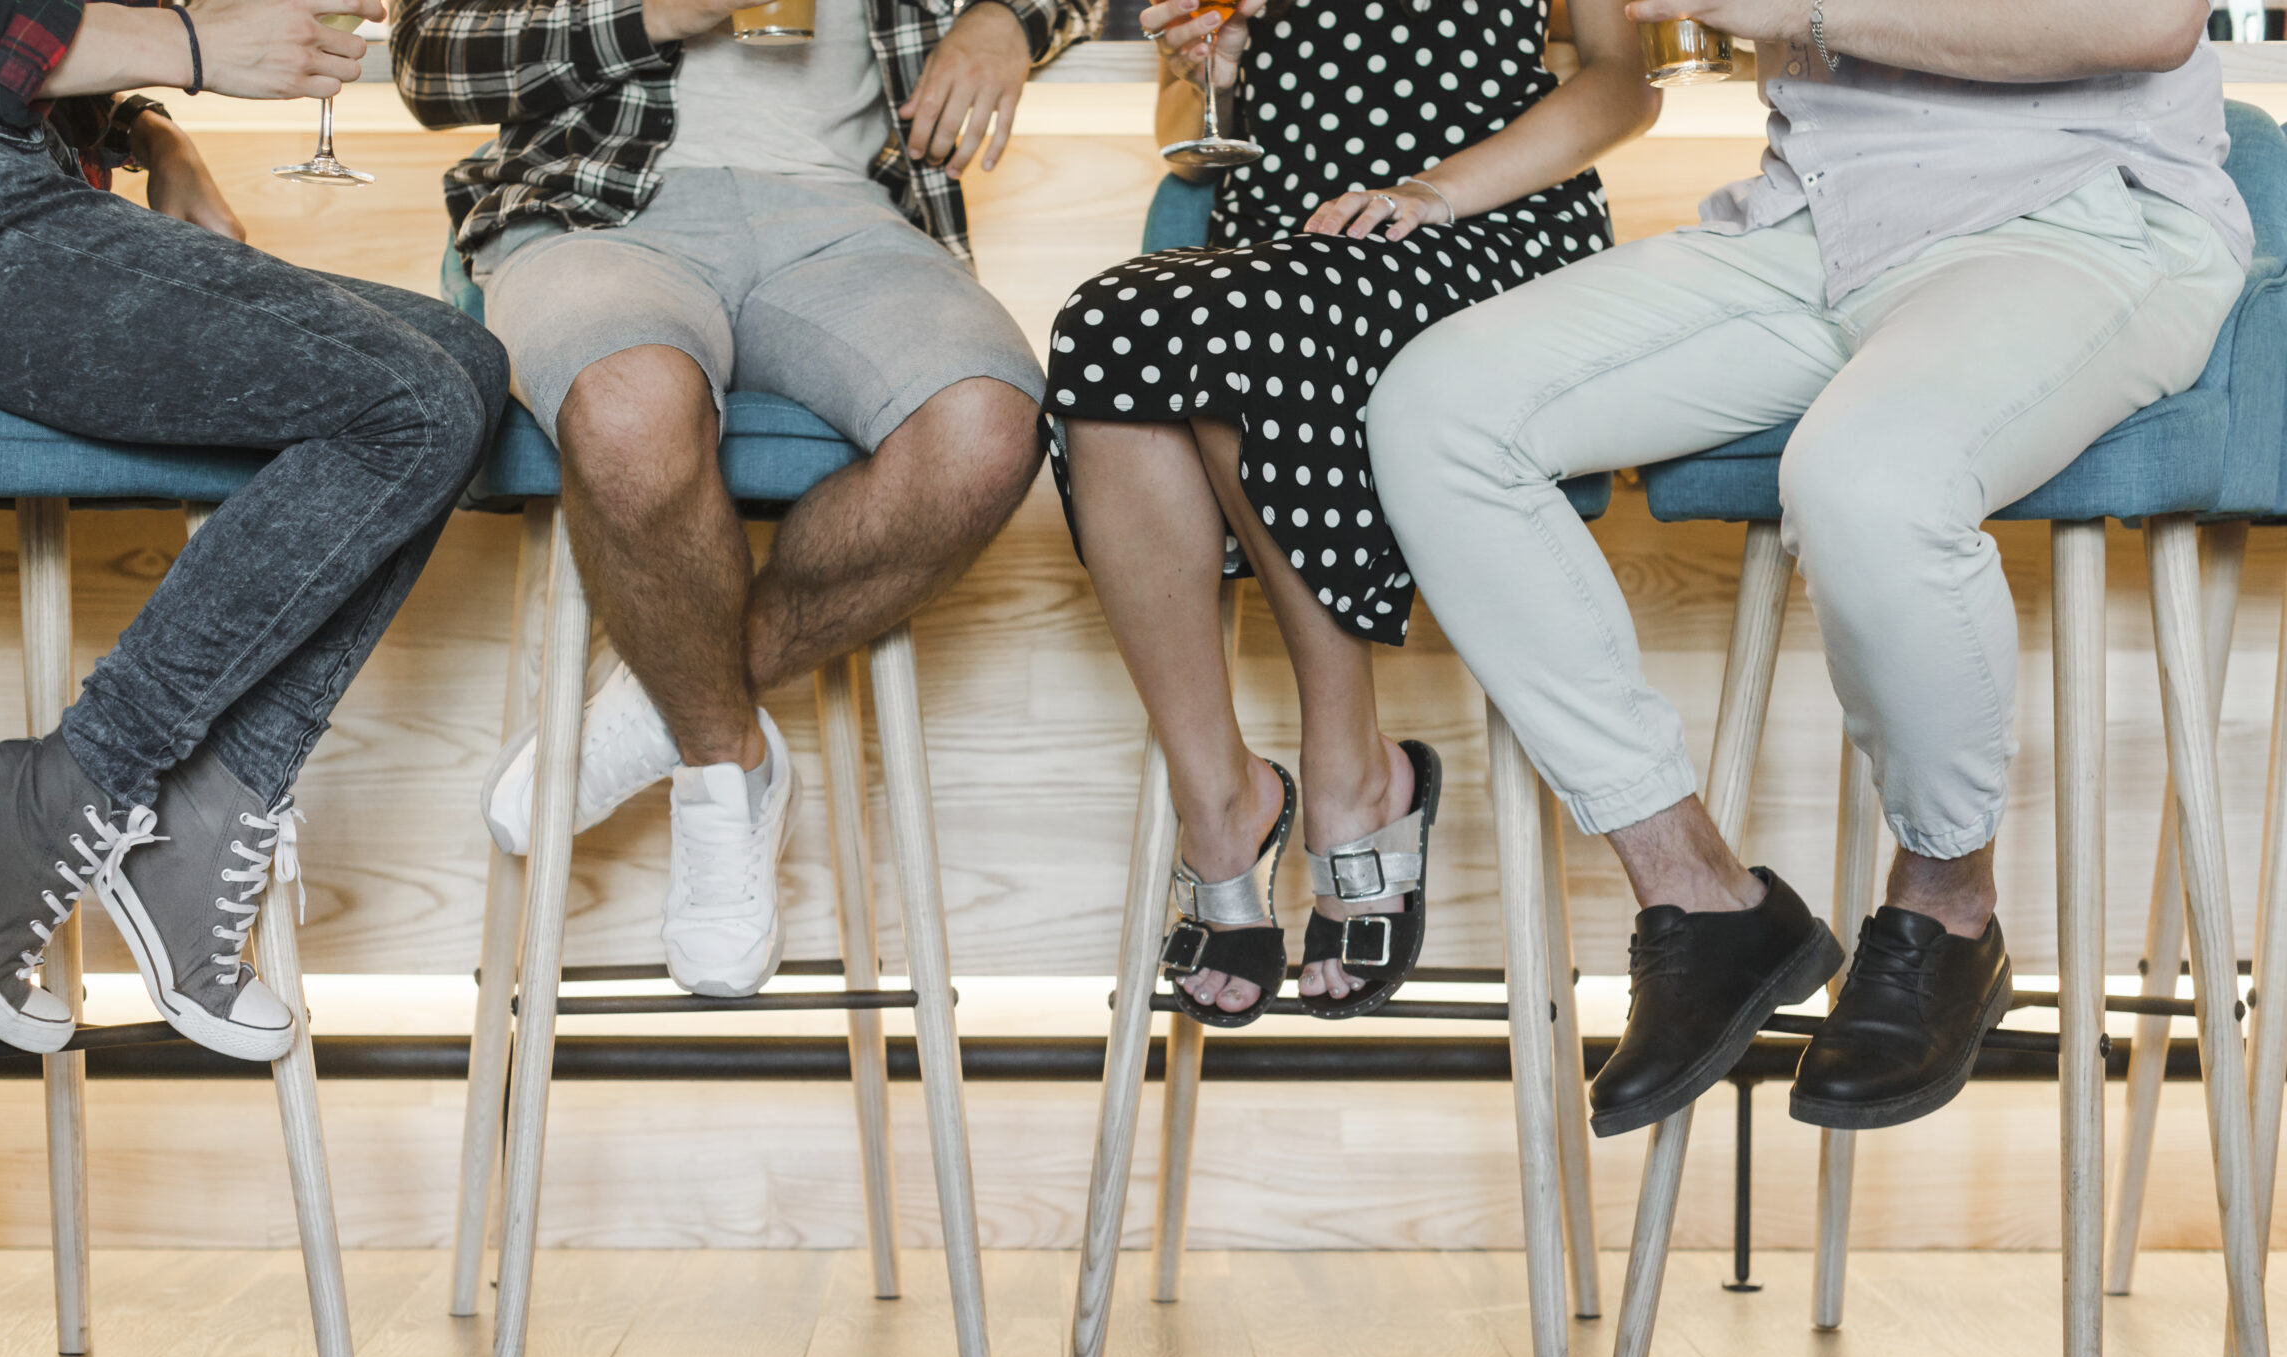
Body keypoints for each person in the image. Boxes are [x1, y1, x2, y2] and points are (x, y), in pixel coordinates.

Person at [1369, 0, 2242, 1134]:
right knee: (1438, 410)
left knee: (1865, 480)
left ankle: (1947, 911)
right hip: (1813, 228)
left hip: (2073, 223)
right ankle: (1699, 895)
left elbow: (2145, 24)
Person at [0, 0, 510, 1062]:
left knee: (461, 369)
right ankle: (66, 783)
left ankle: (206, 811)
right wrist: (195, 48)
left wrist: (147, 135)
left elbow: (13, 38)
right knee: (407, 405)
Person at [398, 0, 1082, 997]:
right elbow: (430, 62)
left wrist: (1010, 21)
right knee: (628, 408)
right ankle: (723, 764)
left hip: (851, 217)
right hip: (601, 207)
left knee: (988, 428)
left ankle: (661, 698)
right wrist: (651, 15)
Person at [1045, 0, 1654, 1027]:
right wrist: (1218, 71)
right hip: (1281, 235)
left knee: (1241, 328)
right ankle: (1222, 802)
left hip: (1482, 225)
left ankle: (1351, 773)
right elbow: (1181, 133)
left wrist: (1432, 193)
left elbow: (1619, 83)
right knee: (1100, 325)